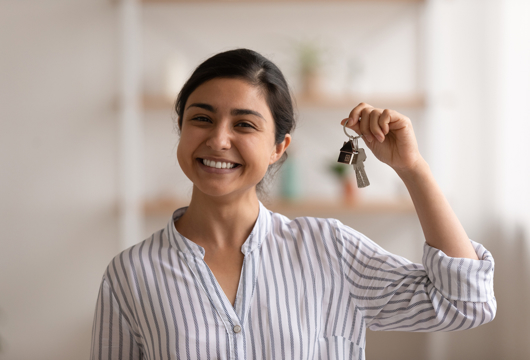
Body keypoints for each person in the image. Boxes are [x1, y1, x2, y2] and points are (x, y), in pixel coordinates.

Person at [90, 49, 496, 360]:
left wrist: (412, 168)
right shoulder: (130, 274)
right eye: (201, 118)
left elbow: (467, 303)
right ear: (181, 130)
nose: (218, 140)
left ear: (278, 147)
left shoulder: (330, 248)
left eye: (245, 124)